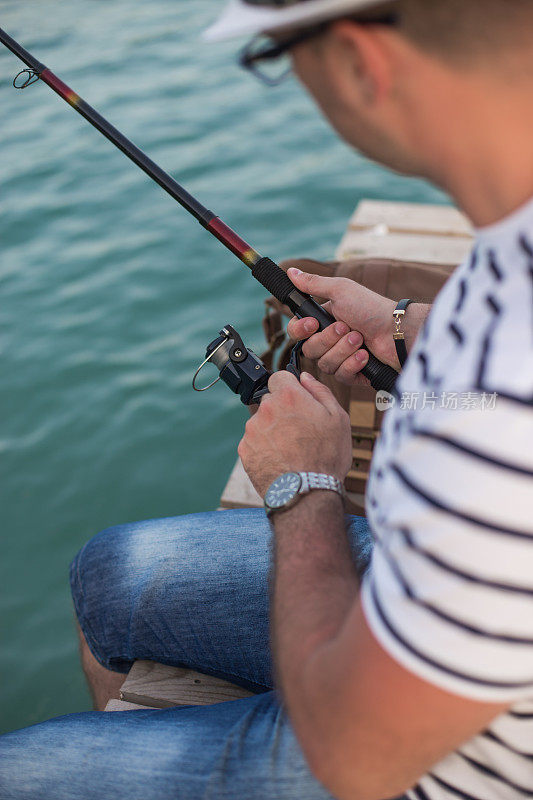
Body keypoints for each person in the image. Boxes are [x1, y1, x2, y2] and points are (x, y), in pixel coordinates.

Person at [2, 0, 533, 798]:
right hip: (468, 590)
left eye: (275, 54)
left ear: (362, 64)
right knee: (109, 573)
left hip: (432, 755)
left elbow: (357, 757)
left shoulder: (491, 438)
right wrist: (404, 325)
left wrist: (300, 483)